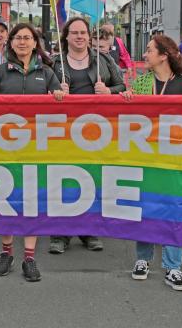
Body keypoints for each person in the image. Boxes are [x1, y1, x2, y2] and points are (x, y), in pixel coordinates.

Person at [0, 22, 65, 283]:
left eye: (27, 38)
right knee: (6, 200)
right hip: (6, 148)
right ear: (11, 43)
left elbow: (60, 100)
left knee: (31, 202)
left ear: (35, 42)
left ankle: (29, 257)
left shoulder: (47, 72)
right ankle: (6, 252)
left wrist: (60, 95)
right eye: (18, 38)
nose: (23, 42)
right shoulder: (2, 72)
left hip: (36, 148)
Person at [50, 17, 124, 254]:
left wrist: (108, 91)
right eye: (75, 33)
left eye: (83, 33)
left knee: (92, 179)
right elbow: (41, 92)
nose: (80, 37)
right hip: (63, 131)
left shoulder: (104, 60)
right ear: (67, 37)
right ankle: (60, 234)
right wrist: (55, 92)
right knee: (62, 180)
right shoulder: (55, 63)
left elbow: (122, 87)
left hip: (95, 131)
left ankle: (89, 230)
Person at [129, 34, 182, 291]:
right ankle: (142, 260)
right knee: (145, 207)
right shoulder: (142, 82)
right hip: (145, 155)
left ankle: (173, 266)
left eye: (149, 50)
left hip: (174, 158)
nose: (145, 55)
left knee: (174, 209)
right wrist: (125, 98)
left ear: (164, 55)